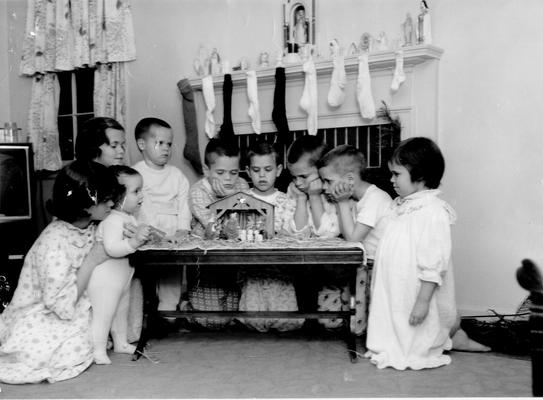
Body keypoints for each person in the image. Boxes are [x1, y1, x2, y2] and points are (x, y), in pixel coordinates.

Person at [365, 137, 488, 371]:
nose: (391, 180)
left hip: (416, 286)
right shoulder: (402, 205)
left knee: (416, 322)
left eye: (396, 174)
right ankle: (393, 343)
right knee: (398, 317)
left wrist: (422, 301)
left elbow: (434, 260)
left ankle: (418, 346)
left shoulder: (432, 211)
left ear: (419, 175)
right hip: (398, 284)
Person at [0, 161, 120, 383]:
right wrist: (91, 261)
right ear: (84, 204)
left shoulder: (91, 223)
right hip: (44, 312)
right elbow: (61, 306)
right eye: (105, 200)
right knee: (72, 348)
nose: (112, 203)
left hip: (79, 302)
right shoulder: (54, 243)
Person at [76, 116, 142, 344]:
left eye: (123, 145)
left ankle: (118, 335)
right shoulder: (84, 180)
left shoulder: (119, 177)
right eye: (114, 145)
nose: (121, 150)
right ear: (93, 149)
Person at [318, 144, 392, 334]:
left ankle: (359, 329)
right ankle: (345, 322)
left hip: (382, 266)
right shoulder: (360, 199)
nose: (324, 187)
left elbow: (352, 239)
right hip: (369, 263)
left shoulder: (375, 199)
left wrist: (342, 202)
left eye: (328, 181)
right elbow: (346, 231)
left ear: (350, 179)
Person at [238, 140, 304, 332]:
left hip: (279, 266)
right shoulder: (242, 198)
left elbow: (292, 231)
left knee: (284, 317)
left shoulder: (285, 200)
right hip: (251, 265)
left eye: (268, 169)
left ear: (278, 169)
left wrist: (281, 234)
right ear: (248, 171)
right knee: (253, 317)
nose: (262, 175)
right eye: (256, 170)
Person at [89, 166, 151, 365]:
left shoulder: (128, 217)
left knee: (121, 311)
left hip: (122, 278)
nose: (141, 195)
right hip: (105, 279)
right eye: (135, 191)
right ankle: (97, 349)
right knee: (104, 313)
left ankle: (121, 342)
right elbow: (112, 248)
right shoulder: (113, 220)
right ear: (118, 196)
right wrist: (134, 243)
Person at [188, 137, 249, 329]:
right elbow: (215, 229)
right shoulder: (198, 191)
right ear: (207, 171)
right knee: (210, 320)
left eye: (233, 172)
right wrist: (225, 198)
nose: (228, 179)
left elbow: (245, 219)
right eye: (221, 172)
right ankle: (187, 306)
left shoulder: (242, 185)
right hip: (206, 257)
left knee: (231, 312)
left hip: (235, 255)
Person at [132, 118, 191, 314]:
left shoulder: (176, 175)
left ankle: (168, 312)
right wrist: (153, 231)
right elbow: (140, 207)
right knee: (145, 278)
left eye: (169, 144)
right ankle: (146, 312)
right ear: (142, 144)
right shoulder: (136, 173)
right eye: (160, 143)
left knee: (171, 277)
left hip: (173, 231)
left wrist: (182, 229)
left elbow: (184, 205)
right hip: (147, 233)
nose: (166, 148)